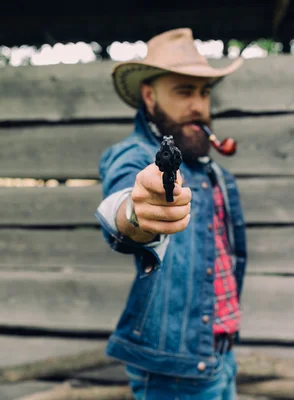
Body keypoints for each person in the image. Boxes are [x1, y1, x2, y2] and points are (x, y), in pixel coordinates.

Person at [94, 27, 248, 399]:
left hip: (219, 358)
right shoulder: (134, 155)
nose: (198, 105)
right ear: (149, 96)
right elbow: (125, 201)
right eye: (183, 91)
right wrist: (137, 212)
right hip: (172, 373)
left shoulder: (213, 172)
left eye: (204, 92)